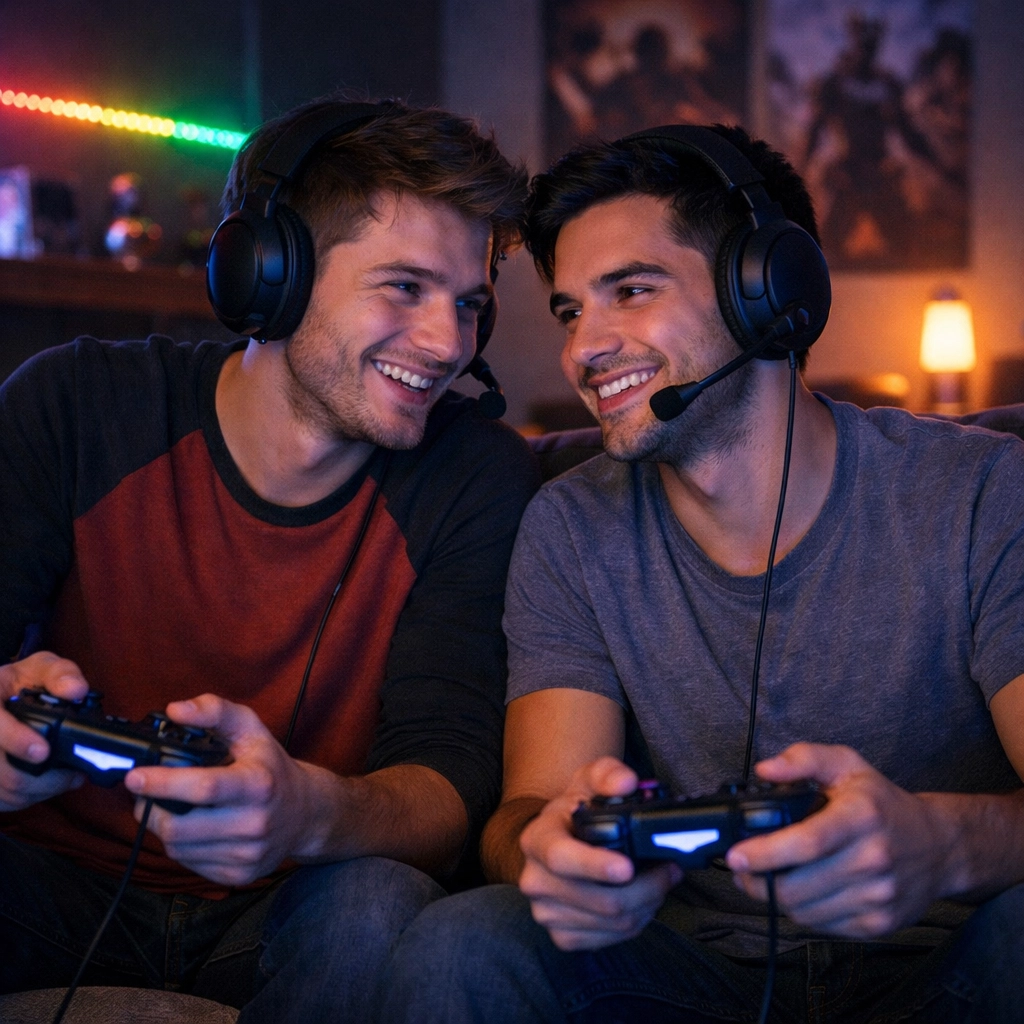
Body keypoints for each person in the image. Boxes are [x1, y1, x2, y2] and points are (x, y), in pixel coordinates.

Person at [381, 124, 1024, 1022]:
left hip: (943, 961)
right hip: (683, 972)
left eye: (631, 292)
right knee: (467, 942)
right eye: (570, 312)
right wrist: (554, 857)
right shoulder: (570, 526)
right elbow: (529, 804)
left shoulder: (982, 492)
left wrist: (942, 846)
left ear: (768, 291)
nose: (583, 350)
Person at [0, 97, 538, 1021]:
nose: (450, 344)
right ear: (268, 276)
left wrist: (306, 812)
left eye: (470, 304)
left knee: (381, 903)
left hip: (291, 910)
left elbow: (449, 783)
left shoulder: (476, 477)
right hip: (47, 887)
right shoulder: (76, 405)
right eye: (404, 287)